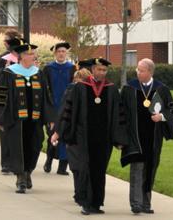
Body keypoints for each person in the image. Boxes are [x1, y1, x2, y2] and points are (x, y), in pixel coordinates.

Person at [51, 58, 124, 215]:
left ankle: (96, 203)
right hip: (82, 136)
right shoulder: (80, 88)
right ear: (92, 70)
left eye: (104, 70)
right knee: (85, 168)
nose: (102, 73)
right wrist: (59, 132)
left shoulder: (111, 89)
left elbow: (118, 116)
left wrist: (118, 139)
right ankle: (85, 202)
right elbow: (67, 112)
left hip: (103, 138)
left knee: (99, 169)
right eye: (99, 70)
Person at [0, 40, 56, 194]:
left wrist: (50, 118)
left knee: (34, 146)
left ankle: (28, 172)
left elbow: (47, 96)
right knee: (17, 148)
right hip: (15, 120)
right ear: (21, 56)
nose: (33, 56)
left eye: (33, 53)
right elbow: (0, 95)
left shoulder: (38, 73)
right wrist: (0, 118)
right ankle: (20, 177)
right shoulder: (8, 73)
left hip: (35, 119)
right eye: (29, 54)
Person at [120, 58, 173, 215]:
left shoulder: (162, 89)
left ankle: (146, 203)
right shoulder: (129, 88)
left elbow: (172, 111)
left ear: (150, 72)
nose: (137, 72)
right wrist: (121, 137)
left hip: (154, 138)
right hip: (135, 137)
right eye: (137, 69)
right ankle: (136, 203)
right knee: (137, 169)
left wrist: (162, 117)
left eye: (141, 70)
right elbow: (121, 113)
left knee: (150, 169)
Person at [0, 29, 23, 174]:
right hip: (6, 100)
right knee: (5, 132)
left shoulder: (26, 58)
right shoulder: (4, 59)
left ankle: (20, 163)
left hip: (22, 101)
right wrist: (4, 70)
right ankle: (6, 163)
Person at [42, 42, 76, 175]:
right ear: (55, 53)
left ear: (66, 53)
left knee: (66, 136)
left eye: (63, 51)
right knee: (52, 135)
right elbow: (45, 90)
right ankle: (49, 160)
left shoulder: (72, 68)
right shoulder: (48, 69)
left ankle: (62, 167)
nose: (61, 53)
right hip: (53, 108)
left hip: (68, 107)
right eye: (59, 51)